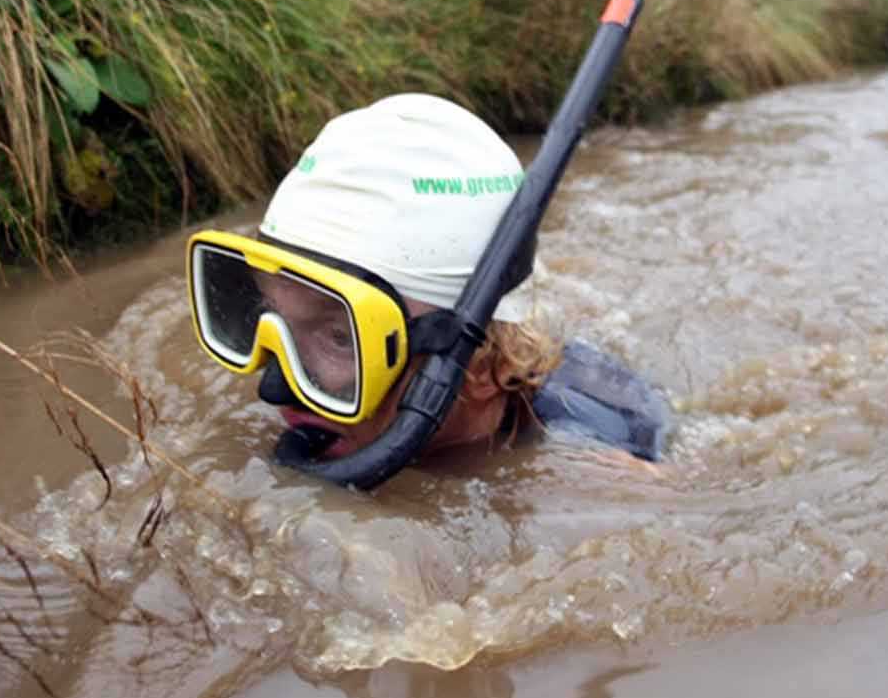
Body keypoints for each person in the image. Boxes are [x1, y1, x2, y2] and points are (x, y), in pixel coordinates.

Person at [186, 94, 670, 469]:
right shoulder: (331, 411)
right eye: (267, 318)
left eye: (340, 337)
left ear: (481, 367)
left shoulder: (597, 454)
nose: (273, 387)